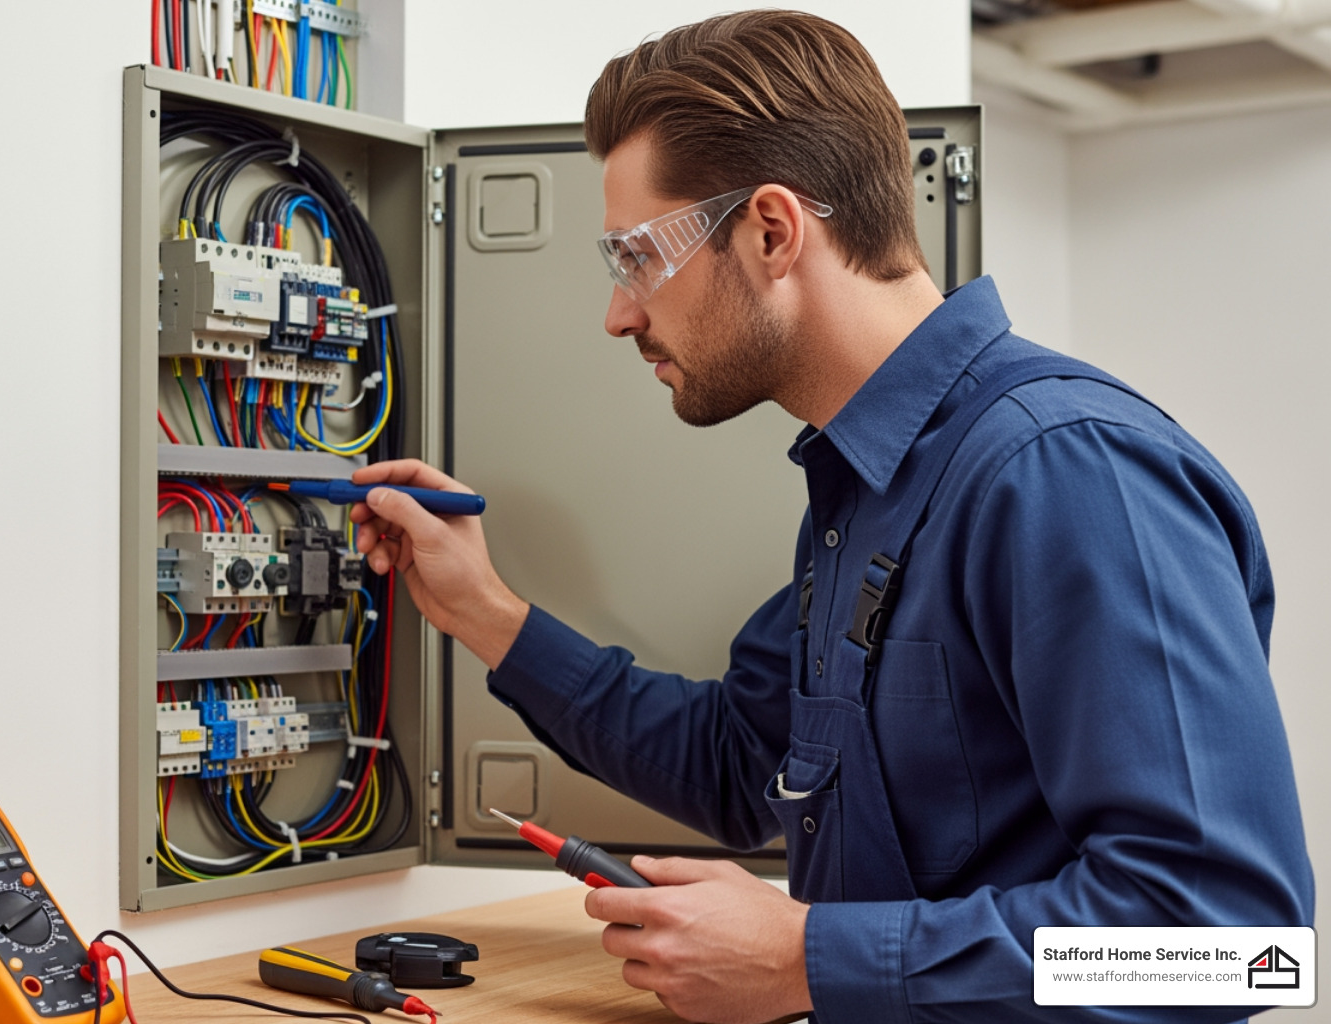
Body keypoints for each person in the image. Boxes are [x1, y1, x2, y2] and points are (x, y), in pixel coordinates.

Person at [348, 10, 1314, 1023]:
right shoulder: (867, 497)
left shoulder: (1062, 473)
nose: (619, 313)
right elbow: (736, 760)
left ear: (772, 230)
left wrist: (814, 960)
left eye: (636, 258)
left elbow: (1230, 947)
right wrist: (485, 613)